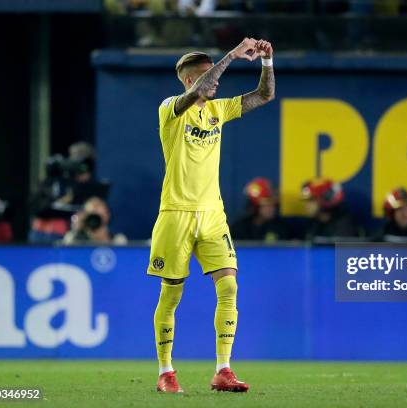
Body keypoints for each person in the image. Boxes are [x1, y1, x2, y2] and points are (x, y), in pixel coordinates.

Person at [147, 38, 275, 393]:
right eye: (206, 75)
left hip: (212, 214)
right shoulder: (171, 108)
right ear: (190, 81)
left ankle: (223, 369)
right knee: (171, 295)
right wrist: (233, 55)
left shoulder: (217, 110)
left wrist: (266, 62)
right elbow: (203, 86)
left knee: (230, 285)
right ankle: (166, 373)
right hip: (176, 213)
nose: (214, 81)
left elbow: (263, 96)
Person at [231, 177, 290, 242]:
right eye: (266, 205)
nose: (272, 208)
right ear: (255, 207)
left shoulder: (280, 227)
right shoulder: (240, 227)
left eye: (273, 204)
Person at [63, 197, 127, 245]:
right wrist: (77, 230)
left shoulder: (118, 239)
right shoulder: (73, 238)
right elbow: (67, 253)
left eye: (99, 215)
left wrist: (104, 238)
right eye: (92, 215)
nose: (95, 220)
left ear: (107, 215)